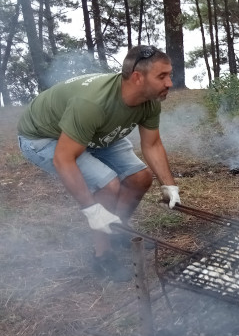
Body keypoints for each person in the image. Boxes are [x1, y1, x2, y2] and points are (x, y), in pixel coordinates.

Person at [17, 45, 182, 282]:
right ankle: (102, 254)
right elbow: (63, 158)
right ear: (137, 78)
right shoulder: (92, 103)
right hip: (43, 137)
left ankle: (115, 229)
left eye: (169, 75)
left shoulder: (150, 100)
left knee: (140, 178)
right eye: (162, 76)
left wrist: (169, 185)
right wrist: (91, 209)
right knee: (107, 185)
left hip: (93, 131)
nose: (169, 83)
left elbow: (152, 144)